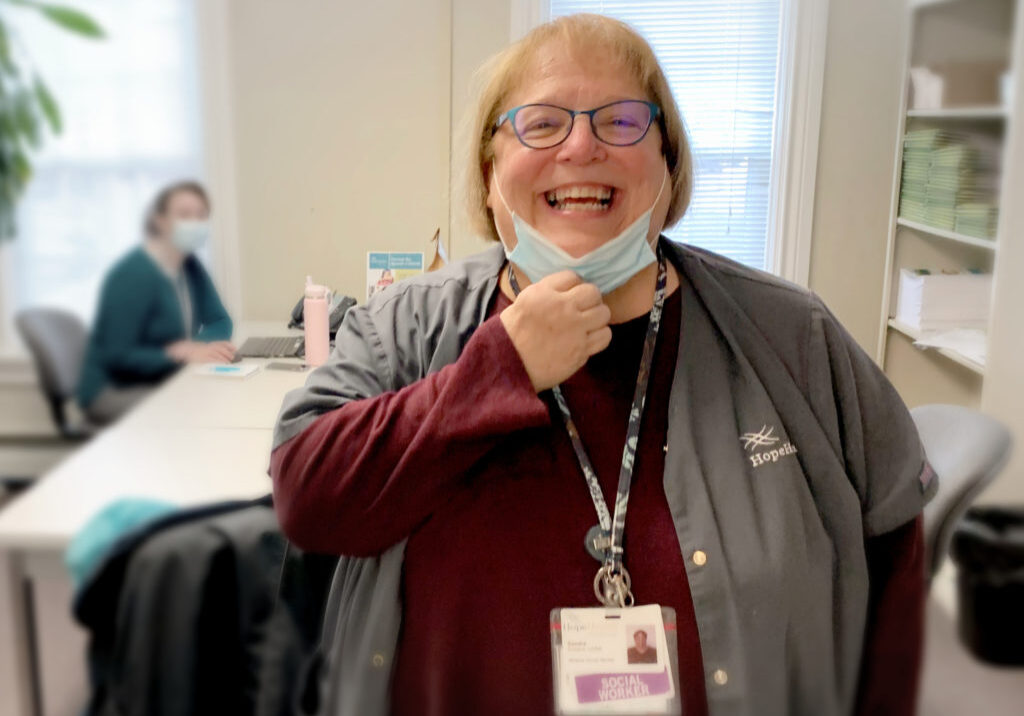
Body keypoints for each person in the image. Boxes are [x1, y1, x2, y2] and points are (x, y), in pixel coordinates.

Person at [271, 14, 935, 716]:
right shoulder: (405, 324)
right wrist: (499, 370)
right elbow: (308, 498)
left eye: (622, 121)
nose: (581, 145)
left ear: (668, 165)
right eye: (541, 123)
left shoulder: (792, 335)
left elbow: (893, 547)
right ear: (490, 172)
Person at [77, 180, 235, 425]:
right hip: (111, 389)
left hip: (165, 378)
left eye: (201, 216)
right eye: (184, 215)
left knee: (214, 401)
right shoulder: (133, 274)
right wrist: (177, 355)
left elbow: (220, 320)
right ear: (160, 220)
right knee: (196, 411)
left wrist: (193, 348)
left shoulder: (190, 266)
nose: (195, 223)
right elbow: (116, 356)